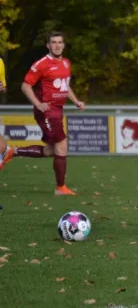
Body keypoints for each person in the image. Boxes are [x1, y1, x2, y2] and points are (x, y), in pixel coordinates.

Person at [13, 32, 85, 195]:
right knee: (62, 144)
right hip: (47, 111)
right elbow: (25, 86)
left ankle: (13, 151)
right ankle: (60, 188)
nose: (57, 45)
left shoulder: (66, 63)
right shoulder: (41, 64)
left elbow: (64, 87)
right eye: (53, 42)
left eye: (60, 42)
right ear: (48, 45)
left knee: (51, 150)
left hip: (58, 111)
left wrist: (76, 101)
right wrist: (38, 104)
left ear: (64, 45)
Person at [0, 56, 14, 172]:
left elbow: (3, 87)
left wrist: (2, 88)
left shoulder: (0, 62)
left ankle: (4, 154)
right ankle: (6, 151)